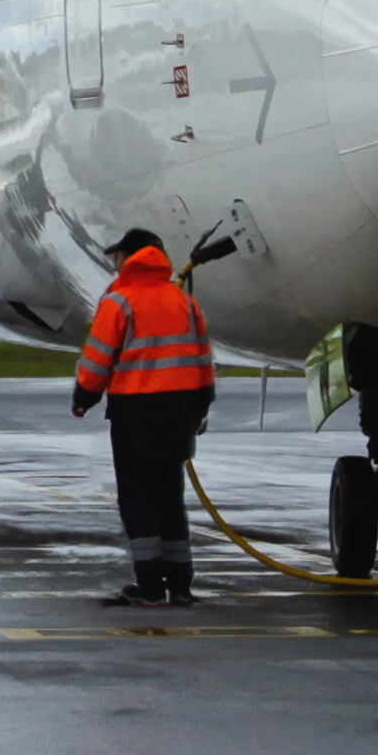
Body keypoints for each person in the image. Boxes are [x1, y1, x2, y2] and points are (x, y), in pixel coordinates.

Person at [72, 229, 214, 607]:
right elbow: (203, 362)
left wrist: (84, 397)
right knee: (170, 497)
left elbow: (98, 360)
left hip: (136, 412)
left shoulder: (119, 302)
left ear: (129, 258)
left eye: (117, 256)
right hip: (181, 411)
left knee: (138, 498)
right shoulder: (184, 301)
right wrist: (202, 406)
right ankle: (181, 586)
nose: (114, 263)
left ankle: (150, 584)